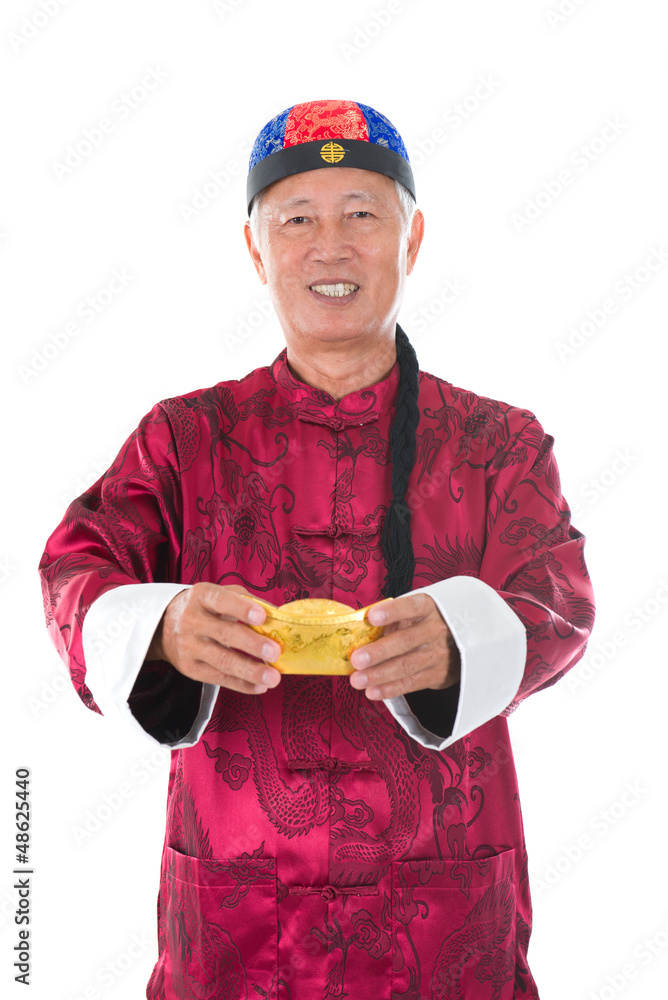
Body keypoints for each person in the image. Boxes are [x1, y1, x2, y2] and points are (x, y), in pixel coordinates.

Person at [39, 99, 595, 1000]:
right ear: (257, 250)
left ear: (412, 240)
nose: (329, 246)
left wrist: (463, 633)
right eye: (297, 219)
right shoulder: (184, 439)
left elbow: (560, 596)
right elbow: (77, 564)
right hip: (235, 916)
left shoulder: (499, 444)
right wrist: (164, 623)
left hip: (443, 913)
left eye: (362, 215)